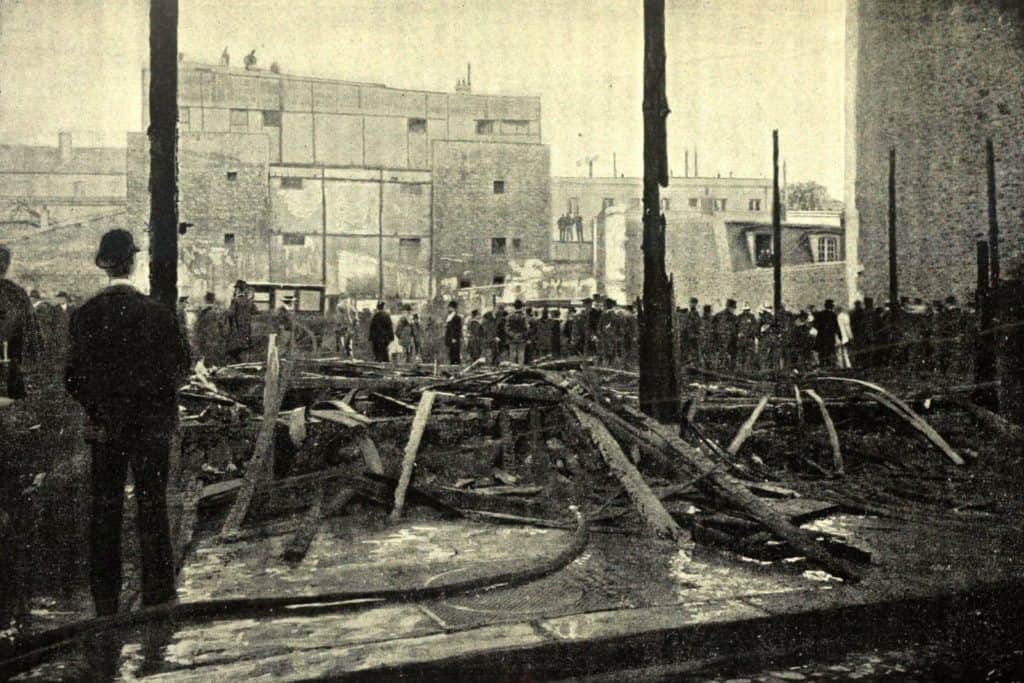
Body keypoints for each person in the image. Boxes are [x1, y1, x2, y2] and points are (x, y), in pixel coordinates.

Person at [64, 229, 189, 616]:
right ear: (133, 263)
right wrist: (156, 404)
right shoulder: (157, 312)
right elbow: (181, 367)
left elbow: (72, 377)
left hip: (105, 429)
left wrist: (100, 409)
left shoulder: (86, 314)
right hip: (150, 427)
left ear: (104, 266)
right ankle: (159, 594)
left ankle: (106, 601)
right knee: (152, 506)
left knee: (106, 511)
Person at [0, 245, 41, 399]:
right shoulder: (18, 293)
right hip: (12, 370)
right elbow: (33, 336)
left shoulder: (17, 293)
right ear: (7, 266)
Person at [194, 292, 226, 366]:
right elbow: (221, 323)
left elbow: (197, 324)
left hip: (203, 335)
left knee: (205, 354)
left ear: (205, 299)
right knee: (213, 354)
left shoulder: (201, 311)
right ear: (213, 300)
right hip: (213, 335)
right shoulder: (216, 311)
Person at [813, 299, 842, 369]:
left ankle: (822, 365)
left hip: (821, 337)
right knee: (830, 352)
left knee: (822, 352)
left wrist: (820, 329)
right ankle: (829, 366)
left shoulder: (820, 314)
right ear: (832, 306)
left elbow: (815, 324)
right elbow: (837, 327)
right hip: (830, 337)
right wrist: (840, 336)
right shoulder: (833, 315)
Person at [506, 300, 529, 364]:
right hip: (522, 339)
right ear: (521, 306)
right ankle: (520, 370)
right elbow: (527, 328)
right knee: (521, 355)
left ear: (514, 306)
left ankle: (512, 370)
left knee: (512, 355)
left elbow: (507, 328)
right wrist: (521, 335)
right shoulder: (524, 316)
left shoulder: (509, 316)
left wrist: (513, 335)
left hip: (512, 339)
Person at [444, 300, 463, 364]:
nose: (448, 309)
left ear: (453, 308)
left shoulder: (457, 318)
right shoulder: (449, 317)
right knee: (451, 353)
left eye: (450, 307)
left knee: (455, 353)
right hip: (450, 338)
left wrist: (454, 338)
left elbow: (457, 329)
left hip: (454, 339)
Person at [836, 304, 854, 369]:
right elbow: (847, 327)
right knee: (846, 350)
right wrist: (850, 336)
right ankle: (848, 364)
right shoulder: (846, 316)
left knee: (839, 352)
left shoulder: (837, 316)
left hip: (839, 335)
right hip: (845, 335)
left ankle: (841, 365)